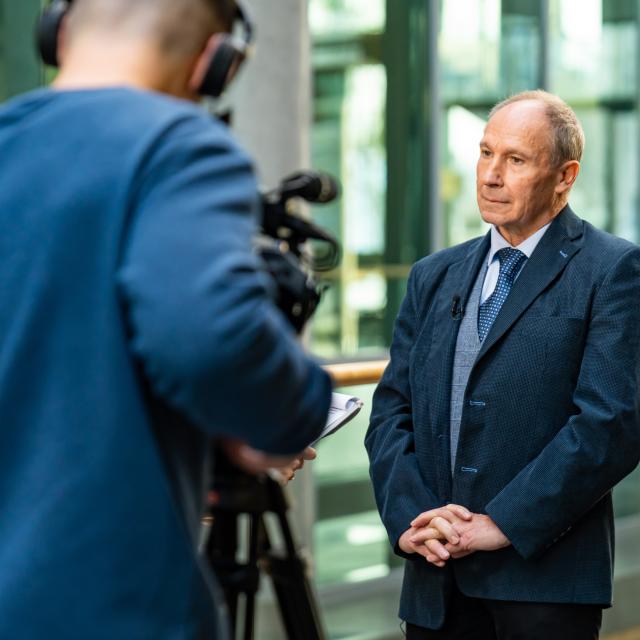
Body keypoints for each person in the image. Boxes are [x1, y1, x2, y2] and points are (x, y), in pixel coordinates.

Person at [0, 0, 332, 638]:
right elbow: (210, 340)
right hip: (107, 606)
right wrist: (287, 413)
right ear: (214, 63)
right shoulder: (180, 147)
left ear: (57, 31)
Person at [365, 90, 640, 640]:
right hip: (435, 582)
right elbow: (392, 411)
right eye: (486, 153)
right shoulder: (432, 275)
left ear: (565, 176)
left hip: (543, 586)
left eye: (515, 160)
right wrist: (412, 520)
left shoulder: (613, 270)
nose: (491, 175)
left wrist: (504, 523)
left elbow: (610, 422)